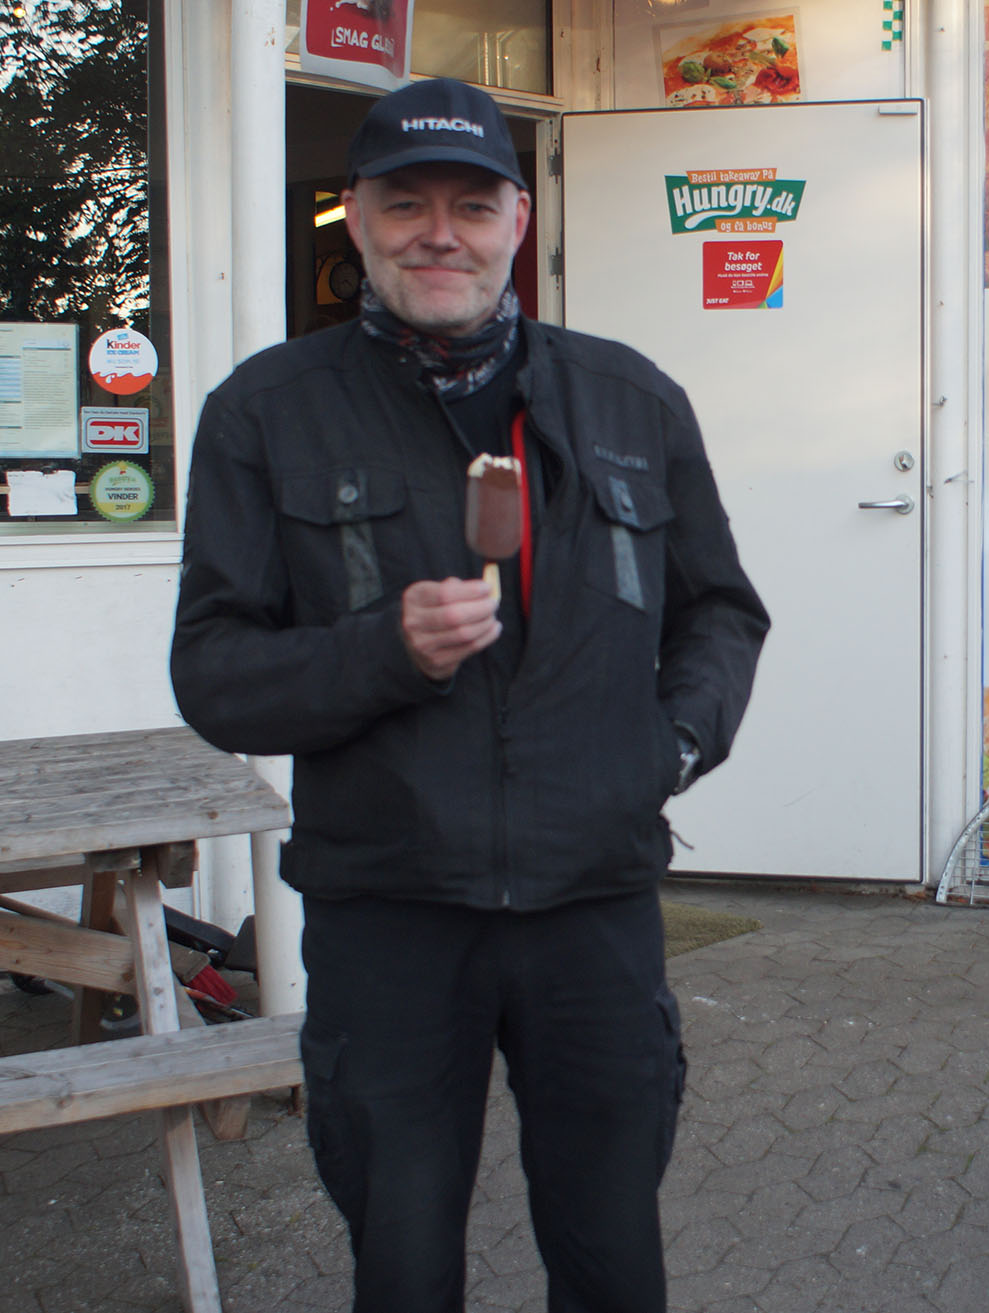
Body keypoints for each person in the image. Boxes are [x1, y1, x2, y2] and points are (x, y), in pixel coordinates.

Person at [171, 78, 768, 1313]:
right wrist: (385, 649)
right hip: (389, 910)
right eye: (405, 203)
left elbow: (720, 610)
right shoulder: (265, 412)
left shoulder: (629, 397)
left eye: (471, 204)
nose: (438, 233)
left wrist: (667, 746)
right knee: (401, 1261)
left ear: (516, 222)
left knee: (612, 1255)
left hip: (591, 904)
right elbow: (215, 675)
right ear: (357, 218)